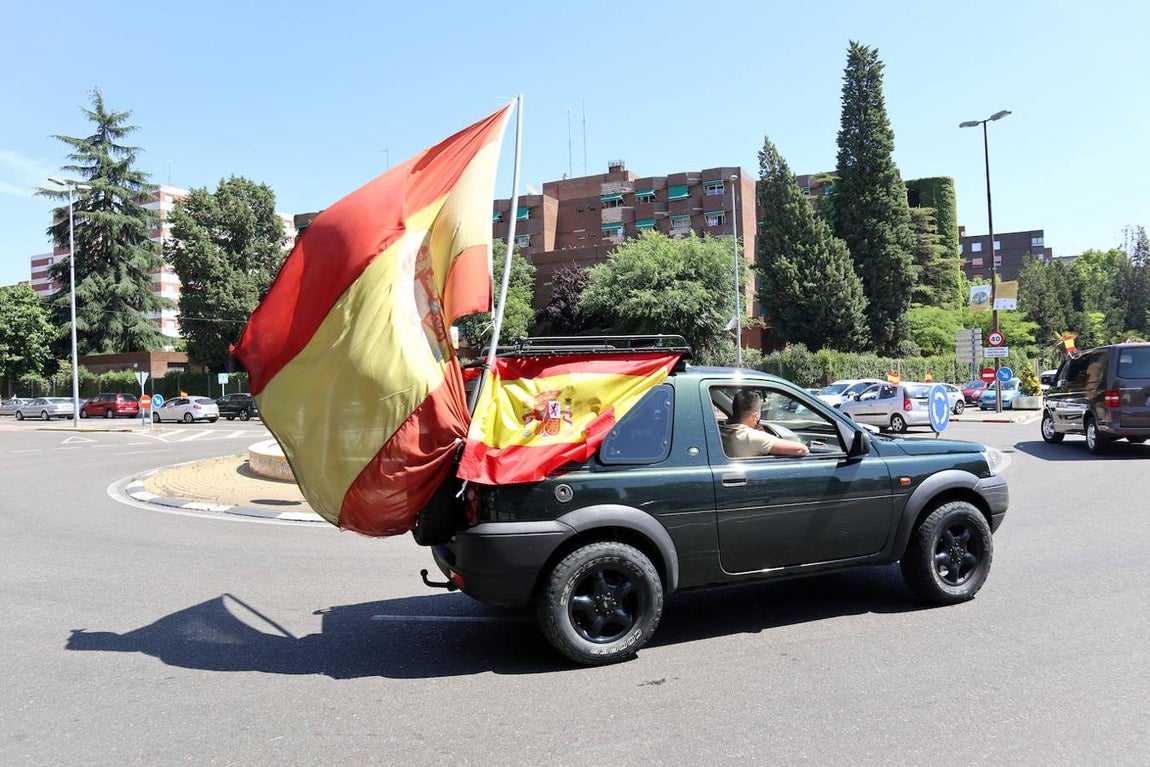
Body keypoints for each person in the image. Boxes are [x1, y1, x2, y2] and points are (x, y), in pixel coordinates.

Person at [720, 389, 810, 458]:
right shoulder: (752, 437)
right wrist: (764, 436)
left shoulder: (722, 430)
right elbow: (802, 449)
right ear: (755, 416)